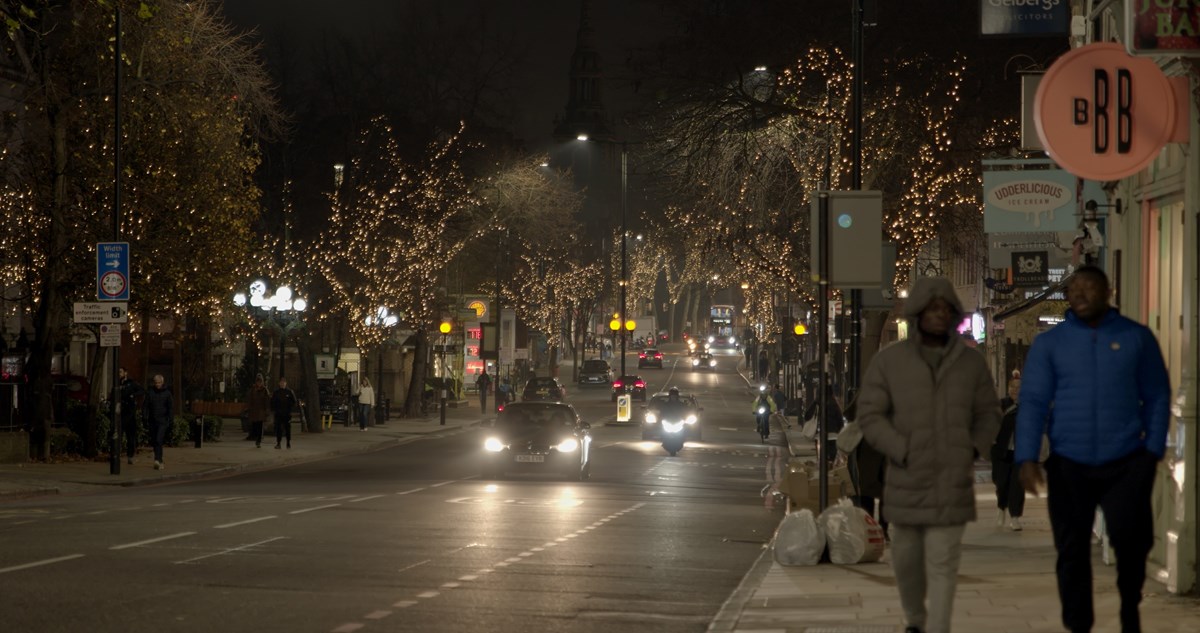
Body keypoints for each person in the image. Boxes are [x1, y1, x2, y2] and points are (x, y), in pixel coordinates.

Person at [1016, 265, 1170, 633]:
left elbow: (1157, 395)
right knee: (1071, 551)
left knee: (1131, 543)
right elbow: (1034, 401)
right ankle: (1078, 624)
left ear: (1109, 292)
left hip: (1127, 461)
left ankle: (1129, 607)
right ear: (1067, 297)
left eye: (1089, 287)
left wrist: (1152, 449)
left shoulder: (1136, 338)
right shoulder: (1050, 344)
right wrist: (1026, 457)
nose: (1081, 294)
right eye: (1074, 289)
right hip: (1069, 462)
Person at [857, 276, 1000, 633]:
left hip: (952, 480)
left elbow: (988, 414)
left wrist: (971, 447)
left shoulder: (971, 363)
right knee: (905, 560)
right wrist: (899, 448)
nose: (938, 315)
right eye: (931, 309)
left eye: (945, 309)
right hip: (906, 478)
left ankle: (936, 628)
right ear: (917, 313)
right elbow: (870, 414)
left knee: (943, 562)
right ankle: (915, 619)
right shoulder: (890, 361)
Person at [990, 377, 1025, 531]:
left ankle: (1015, 518)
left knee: (1017, 486)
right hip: (1002, 452)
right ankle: (1001, 508)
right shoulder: (1001, 404)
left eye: (1018, 387)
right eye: (1012, 386)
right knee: (1001, 483)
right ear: (1008, 388)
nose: (1015, 390)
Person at [142, 374, 174, 471]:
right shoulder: (150, 393)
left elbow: (170, 408)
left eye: (159, 383)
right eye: (156, 383)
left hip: (163, 421)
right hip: (152, 420)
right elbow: (145, 406)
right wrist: (144, 417)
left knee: (159, 440)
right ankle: (158, 459)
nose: (157, 385)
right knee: (155, 441)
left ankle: (158, 459)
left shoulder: (167, 393)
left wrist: (171, 420)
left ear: (162, 382)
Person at [117, 368, 143, 465]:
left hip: (130, 413)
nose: (119, 374)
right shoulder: (118, 384)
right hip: (120, 412)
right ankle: (117, 454)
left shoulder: (131, 383)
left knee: (130, 436)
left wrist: (133, 395)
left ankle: (130, 455)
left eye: (120, 372)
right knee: (118, 434)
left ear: (125, 373)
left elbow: (141, 390)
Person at [271, 376, 299, 449]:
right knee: (279, 429)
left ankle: (288, 443)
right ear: (279, 383)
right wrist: (275, 409)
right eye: (281, 382)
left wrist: (289, 407)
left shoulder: (289, 392)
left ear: (286, 383)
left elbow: (294, 402)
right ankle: (278, 443)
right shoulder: (276, 392)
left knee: (287, 429)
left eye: (284, 382)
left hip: (287, 414)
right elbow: (272, 402)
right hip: (278, 414)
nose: (282, 384)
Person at [246, 373, 271, 448]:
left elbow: (267, 401)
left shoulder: (265, 390)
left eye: (260, 381)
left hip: (261, 411)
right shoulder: (253, 390)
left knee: (260, 426)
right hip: (254, 411)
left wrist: (267, 410)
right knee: (255, 426)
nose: (259, 383)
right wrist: (249, 408)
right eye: (258, 381)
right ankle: (257, 438)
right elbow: (250, 400)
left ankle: (259, 440)